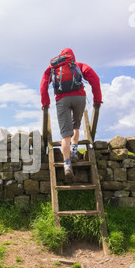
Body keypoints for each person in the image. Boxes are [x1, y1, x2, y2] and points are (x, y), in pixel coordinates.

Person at [40, 48, 102, 182]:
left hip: (62, 99)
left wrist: (45, 103)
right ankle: (74, 151)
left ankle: (67, 164)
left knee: (65, 134)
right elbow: (95, 79)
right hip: (79, 98)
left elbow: (44, 83)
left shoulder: (54, 67)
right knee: (76, 125)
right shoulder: (79, 66)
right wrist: (97, 100)